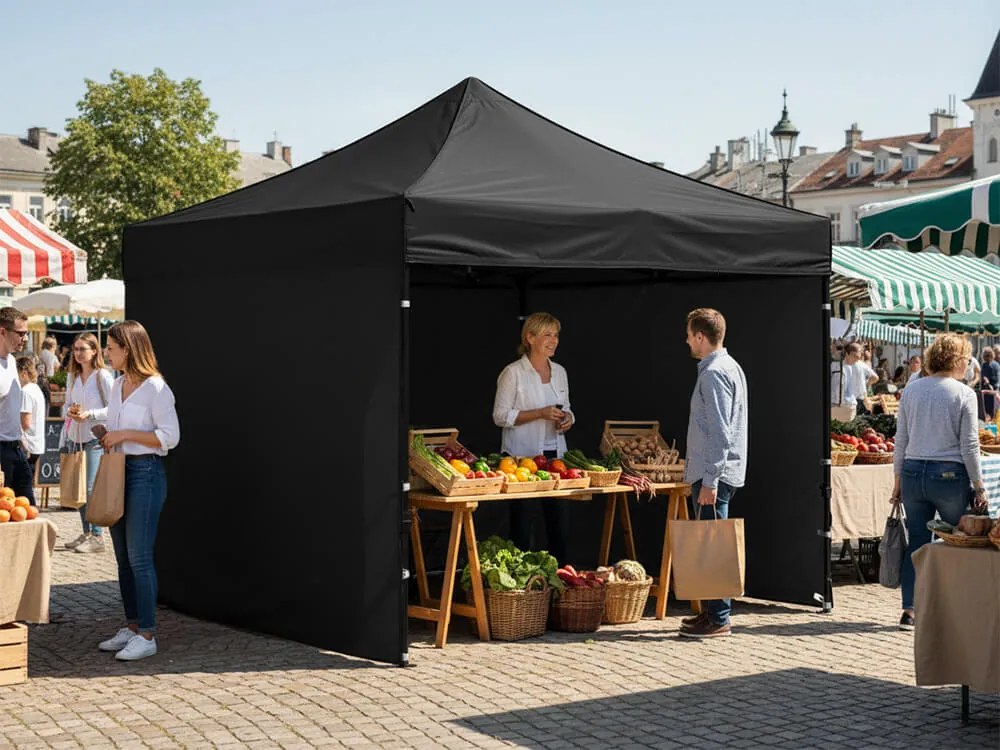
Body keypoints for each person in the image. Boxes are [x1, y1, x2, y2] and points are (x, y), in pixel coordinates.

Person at [890, 334, 988, 632]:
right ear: (959, 361)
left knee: (917, 544)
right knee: (958, 543)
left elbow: (901, 440)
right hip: (948, 475)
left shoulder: (912, 390)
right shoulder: (963, 394)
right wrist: (979, 484)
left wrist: (897, 479)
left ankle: (910, 610)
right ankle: (957, 607)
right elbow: (969, 446)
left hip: (912, 472)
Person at [96, 320, 179, 661]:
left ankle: (147, 633)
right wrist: (104, 431)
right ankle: (131, 627)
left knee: (139, 558)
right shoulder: (116, 386)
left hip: (145, 474)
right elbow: (116, 427)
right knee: (122, 560)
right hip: (119, 472)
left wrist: (125, 435)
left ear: (128, 349)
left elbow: (170, 437)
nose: (106, 353)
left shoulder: (157, 388)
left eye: (111, 348)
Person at [679, 308, 748, 639]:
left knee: (712, 544)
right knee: (710, 542)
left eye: (690, 335)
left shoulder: (714, 373)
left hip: (714, 474)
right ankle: (712, 611)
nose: (687, 340)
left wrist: (710, 480)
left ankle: (719, 617)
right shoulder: (727, 366)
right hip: (717, 471)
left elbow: (721, 433)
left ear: (701, 337)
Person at [492, 312, 574, 562]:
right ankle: (522, 592)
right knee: (523, 526)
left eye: (556, 335)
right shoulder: (513, 373)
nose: (554, 340)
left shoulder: (560, 372)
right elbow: (500, 416)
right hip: (521, 460)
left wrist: (568, 419)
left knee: (558, 526)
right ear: (529, 337)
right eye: (547, 335)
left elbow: (567, 406)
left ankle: (560, 585)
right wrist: (538, 413)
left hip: (555, 460)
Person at [62, 333, 115, 554]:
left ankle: (97, 536)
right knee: (79, 487)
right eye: (76, 349)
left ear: (94, 351)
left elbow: (114, 408)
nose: (78, 353)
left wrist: (89, 414)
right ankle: (86, 532)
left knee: (91, 487)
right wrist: (71, 412)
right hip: (75, 437)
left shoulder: (103, 376)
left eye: (83, 349)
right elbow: (66, 404)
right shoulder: (72, 376)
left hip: (94, 437)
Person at [0, 308, 36, 505]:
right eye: (21, 333)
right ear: (2, 332)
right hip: (1, 450)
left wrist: (21, 439)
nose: (25, 338)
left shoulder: (12, 361)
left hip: (15, 447)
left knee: (28, 508)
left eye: (27, 333)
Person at [16, 356, 45, 478]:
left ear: (23, 373)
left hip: (27, 446)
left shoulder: (26, 392)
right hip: (36, 444)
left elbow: (25, 423)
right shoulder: (36, 388)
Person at [831, 343, 876, 419]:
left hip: (851, 404)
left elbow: (872, 379)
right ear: (848, 354)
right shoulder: (835, 366)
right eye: (855, 357)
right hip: (838, 404)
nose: (857, 360)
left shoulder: (855, 366)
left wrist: (865, 393)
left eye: (859, 357)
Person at [980, 347, 1000, 420]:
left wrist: (988, 383)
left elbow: (996, 381)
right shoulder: (984, 365)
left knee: (993, 414)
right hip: (987, 393)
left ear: (991, 355)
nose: (985, 357)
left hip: (992, 393)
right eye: (985, 356)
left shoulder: (994, 365)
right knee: (988, 413)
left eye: (987, 355)